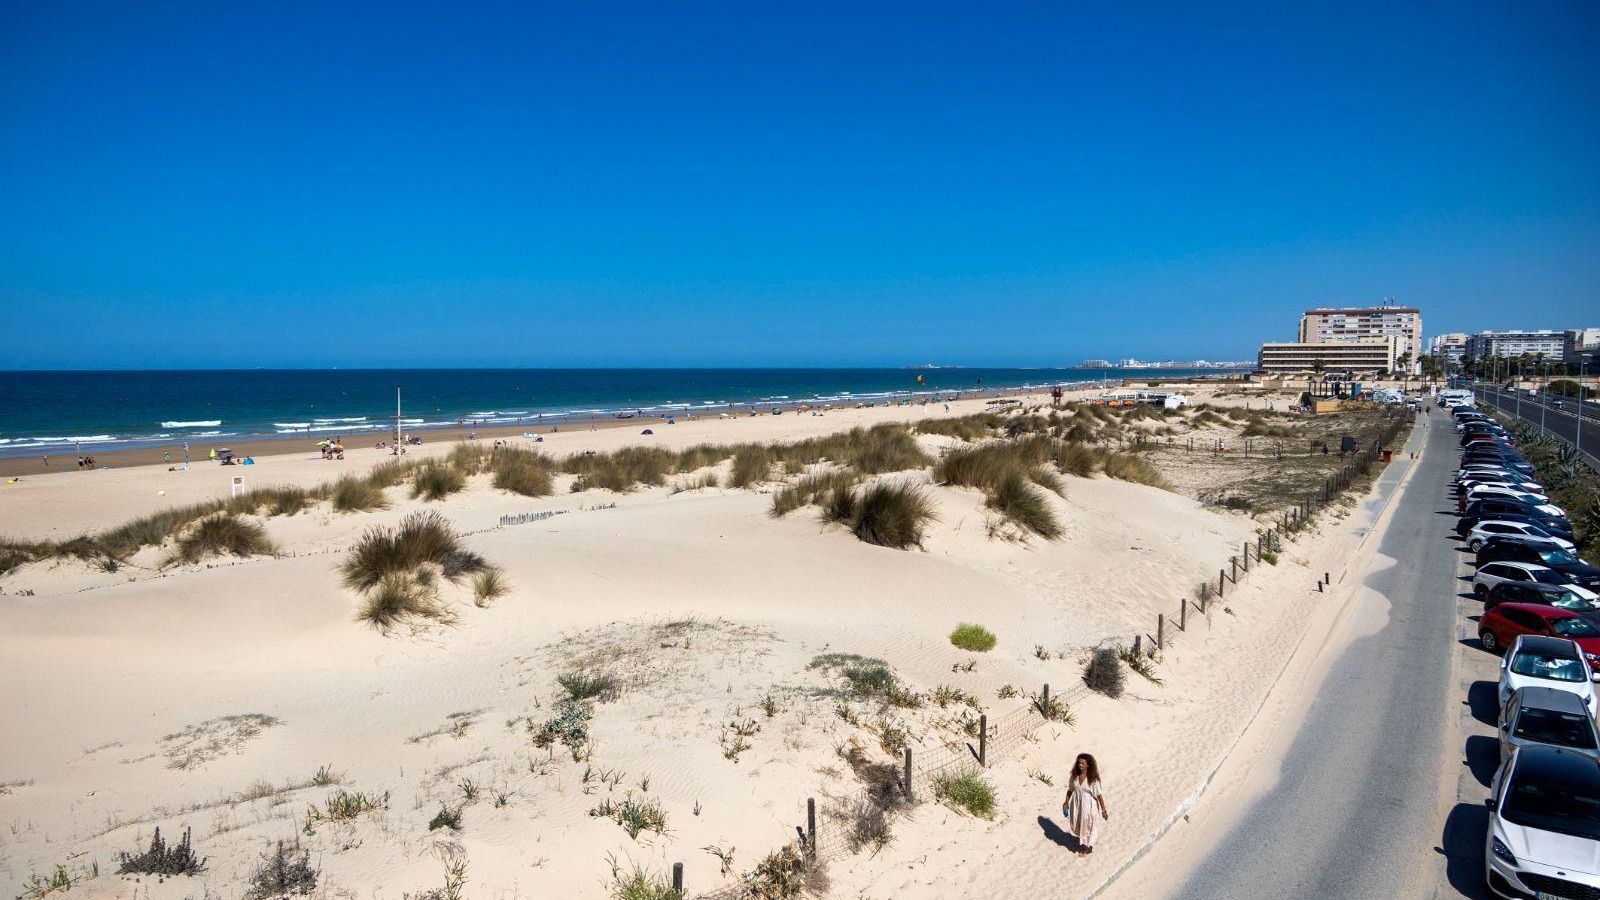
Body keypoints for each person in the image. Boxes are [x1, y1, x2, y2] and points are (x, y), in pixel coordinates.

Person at [1062, 753, 1109, 854]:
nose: (1080, 765)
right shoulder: (1074, 777)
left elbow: (1099, 795)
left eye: (1083, 763)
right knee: (1079, 822)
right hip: (1077, 804)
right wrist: (1066, 802)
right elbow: (1070, 790)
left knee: (1089, 824)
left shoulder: (1092, 779)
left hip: (1089, 805)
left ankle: (1088, 845)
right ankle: (1084, 842)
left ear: (1088, 765)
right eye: (1079, 763)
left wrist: (1103, 810)